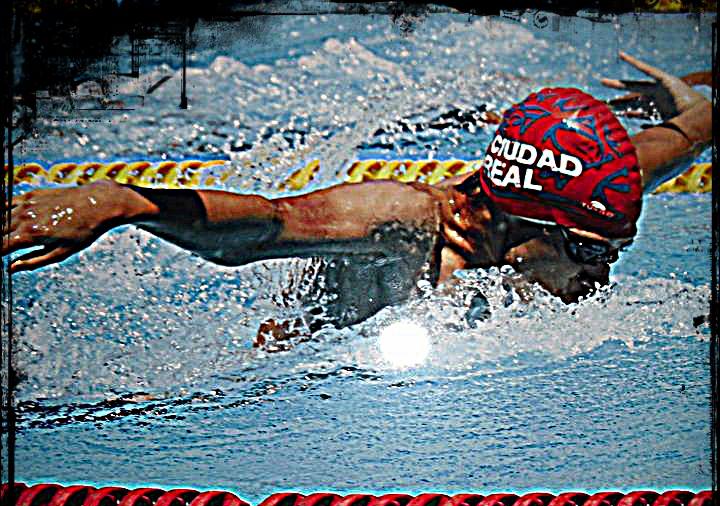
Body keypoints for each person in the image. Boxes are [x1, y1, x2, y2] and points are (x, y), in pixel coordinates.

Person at [2, 52, 712, 334]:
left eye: (615, 249)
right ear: (524, 219)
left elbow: (683, 139)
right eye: (592, 252)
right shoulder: (404, 222)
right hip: (288, 381)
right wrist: (127, 204)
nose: (603, 274)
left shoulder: (589, 189)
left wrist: (689, 102)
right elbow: (266, 225)